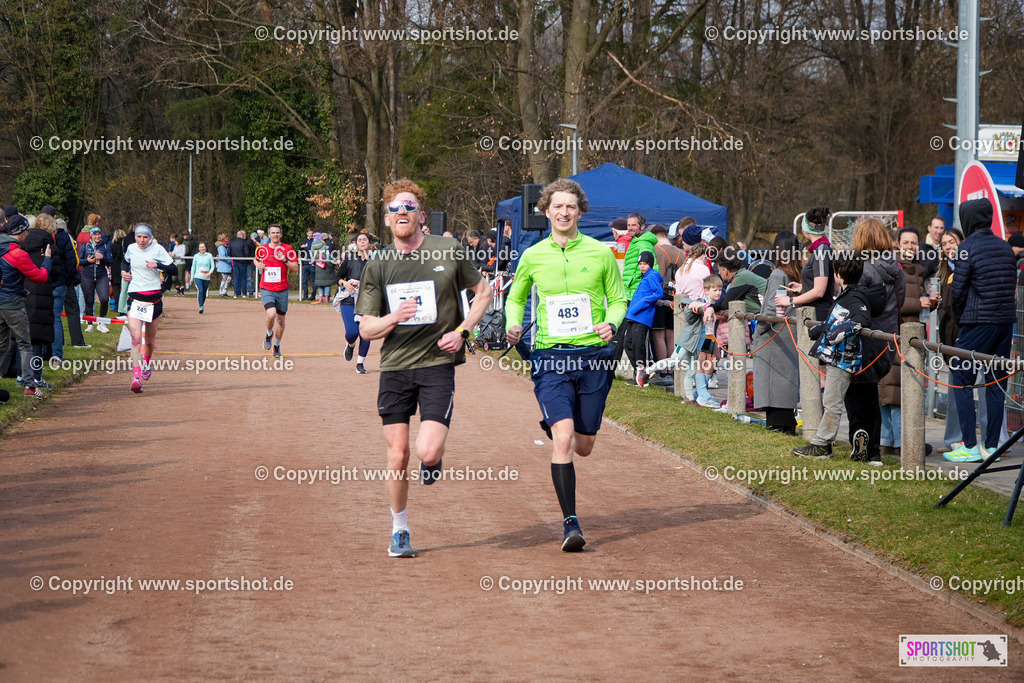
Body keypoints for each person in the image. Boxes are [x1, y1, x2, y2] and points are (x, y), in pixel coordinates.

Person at [357, 178, 492, 558]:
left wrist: (464, 331)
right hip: (395, 366)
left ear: (421, 215)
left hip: (437, 363)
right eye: (396, 209)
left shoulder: (448, 250)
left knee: (427, 452)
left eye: (410, 207)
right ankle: (399, 529)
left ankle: (434, 458)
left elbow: (484, 292)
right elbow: (367, 326)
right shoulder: (378, 263)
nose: (403, 212)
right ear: (386, 219)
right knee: (398, 454)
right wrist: (393, 317)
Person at [505, 178, 626, 552]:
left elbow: (618, 298)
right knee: (562, 437)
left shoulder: (600, 253)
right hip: (550, 357)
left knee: (584, 445)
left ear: (580, 211)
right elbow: (515, 298)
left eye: (570, 207)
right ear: (546, 211)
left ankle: (578, 435)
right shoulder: (533, 255)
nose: (563, 212)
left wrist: (613, 322)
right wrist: (512, 323)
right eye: (557, 206)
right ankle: (571, 523)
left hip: (593, 357)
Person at [945, 198, 1017, 463]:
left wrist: (963, 319)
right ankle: (992, 446)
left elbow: (959, 291)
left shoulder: (967, 247)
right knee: (996, 384)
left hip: (977, 323)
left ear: (968, 219)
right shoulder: (1005, 247)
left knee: (960, 380)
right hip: (1005, 323)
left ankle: (971, 445)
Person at [792, 252, 874, 458]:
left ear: (837, 274)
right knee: (834, 402)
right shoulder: (847, 295)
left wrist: (835, 332)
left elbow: (861, 319)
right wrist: (821, 329)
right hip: (839, 358)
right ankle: (824, 444)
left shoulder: (854, 296)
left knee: (832, 404)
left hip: (843, 361)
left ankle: (821, 445)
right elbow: (840, 319)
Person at [848, 218, 904, 463]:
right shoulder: (896, 268)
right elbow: (900, 302)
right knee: (868, 393)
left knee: (858, 395)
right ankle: (870, 449)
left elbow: (855, 304)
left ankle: (867, 449)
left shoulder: (862, 269)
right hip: (887, 339)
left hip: (865, 338)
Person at [878, 228, 929, 456]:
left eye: (914, 243)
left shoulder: (918, 268)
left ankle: (887, 441)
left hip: (911, 334)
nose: (910, 246)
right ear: (897, 244)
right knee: (894, 389)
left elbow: (919, 299)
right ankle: (900, 443)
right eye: (906, 242)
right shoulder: (892, 266)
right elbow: (893, 303)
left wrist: (929, 303)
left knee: (896, 388)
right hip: (895, 334)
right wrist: (921, 303)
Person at [637, 274, 719, 405]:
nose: (718, 293)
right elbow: (687, 303)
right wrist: (696, 304)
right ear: (707, 290)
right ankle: (646, 371)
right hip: (687, 341)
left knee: (691, 371)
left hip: (697, 344)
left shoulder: (715, 306)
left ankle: (689, 398)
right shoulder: (700, 302)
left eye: (720, 290)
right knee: (674, 361)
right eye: (715, 290)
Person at [752, 232, 802, 434]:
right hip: (788, 335)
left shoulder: (777, 274)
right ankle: (786, 425)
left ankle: (780, 426)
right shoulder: (795, 273)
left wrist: (759, 333)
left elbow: (772, 310)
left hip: (774, 336)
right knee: (784, 384)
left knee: (774, 386)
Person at [0, 215, 52, 398]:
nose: (29, 233)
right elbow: (40, 277)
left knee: (2, 345)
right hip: (13, 304)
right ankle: (30, 386)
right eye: (27, 230)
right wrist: (47, 260)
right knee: (24, 345)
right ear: (21, 232)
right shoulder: (18, 254)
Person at [121, 224, 177, 393]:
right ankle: (136, 378)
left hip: (153, 300)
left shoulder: (158, 249)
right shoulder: (131, 248)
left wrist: (158, 265)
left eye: (145, 237)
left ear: (150, 238)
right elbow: (125, 262)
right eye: (139, 237)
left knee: (149, 342)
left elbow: (173, 269)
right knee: (136, 339)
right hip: (135, 299)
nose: (142, 240)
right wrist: (125, 273)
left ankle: (146, 362)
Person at [777, 206, 834, 323]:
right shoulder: (822, 249)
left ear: (805, 229)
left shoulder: (821, 251)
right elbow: (824, 284)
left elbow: (819, 291)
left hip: (817, 316)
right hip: (814, 314)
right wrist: (804, 287)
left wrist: (790, 301)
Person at [24, 214, 57, 391]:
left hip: (24, 289)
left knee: (23, 337)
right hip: (42, 289)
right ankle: (36, 377)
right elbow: (57, 271)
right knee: (37, 337)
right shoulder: (49, 244)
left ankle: (23, 375)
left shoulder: (24, 241)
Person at [255, 224, 299, 358]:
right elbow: (255, 260)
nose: (275, 235)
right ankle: (269, 334)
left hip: (282, 289)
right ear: (269, 235)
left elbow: (295, 268)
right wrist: (258, 264)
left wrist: (284, 259)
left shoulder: (288, 249)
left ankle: (277, 345)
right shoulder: (262, 249)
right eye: (273, 233)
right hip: (266, 287)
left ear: (281, 235)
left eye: (277, 233)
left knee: (281, 321)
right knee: (271, 314)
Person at [622, 251, 665, 385]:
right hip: (634, 315)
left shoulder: (651, 276)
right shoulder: (645, 277)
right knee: (628, 344)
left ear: (650, 264)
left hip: (642, 317)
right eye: (640, 264)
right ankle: (641, 373)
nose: (642, 266)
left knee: (637, 345)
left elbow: (658, 293)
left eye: (645, 264)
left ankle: (642, 375)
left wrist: (642, 303)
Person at [649, 224, 684, 385]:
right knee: (671, 335)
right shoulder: (680, 253)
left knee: (658, 335)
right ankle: (672, 370)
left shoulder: (657, 251)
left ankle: (663, 373)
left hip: (660, 297)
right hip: (677, 298)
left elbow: (656, 277)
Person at [336, 232, 373, 373]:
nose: (362, 242)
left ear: (369, 243)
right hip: (349, 299)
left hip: (368, 301)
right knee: (352, 332)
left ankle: (360, 364)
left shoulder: (375, 262)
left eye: (365, 240)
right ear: (356, 243)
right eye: (360, 240)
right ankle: (350, 344)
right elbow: (338, 277)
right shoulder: (349, 260)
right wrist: (344, 283)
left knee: (366, 333)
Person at [52, 217, 88, 354]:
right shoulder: (66, 238)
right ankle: (77, 341)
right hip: (65, 279)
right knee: (72, 310)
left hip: (51, 280)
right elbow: (73, 260)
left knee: (55, 314)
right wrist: (74, 277)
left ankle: (59, 342)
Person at [79, 227, 112, 332]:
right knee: (89, 301)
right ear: (91, 236)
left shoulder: (105, 246)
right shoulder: (86, 247)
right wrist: (87, 260)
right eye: (95, 235)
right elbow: (79, 261)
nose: (97, 237)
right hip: (87, 276)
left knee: (104, 299)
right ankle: (90, 324)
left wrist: (102, 257)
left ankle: (102, 323)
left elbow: (110, 262)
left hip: (101, 276)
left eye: (99, 234)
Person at [310, 232, 336, 303]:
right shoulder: (325, 246)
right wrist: (333, 260)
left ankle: (320, 298)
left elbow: (312, 256)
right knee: (327, 283)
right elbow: (328, 256)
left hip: (318, 266)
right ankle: (327, 298)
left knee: (320, 283)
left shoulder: (313, 246)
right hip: (327, 266)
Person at [228, 230, 254, 298]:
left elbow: (229, 253)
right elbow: (246, 253)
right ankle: (244, 293)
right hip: (243, 262)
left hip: (235, 262)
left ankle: (236, 293)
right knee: (243, 277)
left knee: (236, 277)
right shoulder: (244, 243)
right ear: (242, 236)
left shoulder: (231, 243)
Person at [190, 242, 215, 313]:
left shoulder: (209, 255)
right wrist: (192, 277)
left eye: (203, 247)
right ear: (199, 248)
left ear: (205, 248)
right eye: (200, 247)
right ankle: (201, 306)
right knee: (200, 291)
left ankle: (202, 304)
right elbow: (193, 267)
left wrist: (210, 273)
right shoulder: (196, 256)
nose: (202, 249)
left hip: (206, 277)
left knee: (204, 292)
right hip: (198, 276)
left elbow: (212, 265)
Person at [109, 228, 127, 308]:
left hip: (115, 268)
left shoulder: (112, 246)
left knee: (116, 287)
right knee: (124, 287)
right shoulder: (125, 246)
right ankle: (124, 304)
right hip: (124, 267)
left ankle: (117, 304)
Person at [300, 229, 316, 300]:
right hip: (306, 263)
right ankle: (305, 295)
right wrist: (301, 247)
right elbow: (301, 250)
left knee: (313, 280)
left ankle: (313, 295)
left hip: (312, 263)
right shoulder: (305, 241)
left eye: (312, 233)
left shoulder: (315, 241)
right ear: (307, 233)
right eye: (309, 233)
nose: (311, 234)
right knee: (304, 280)